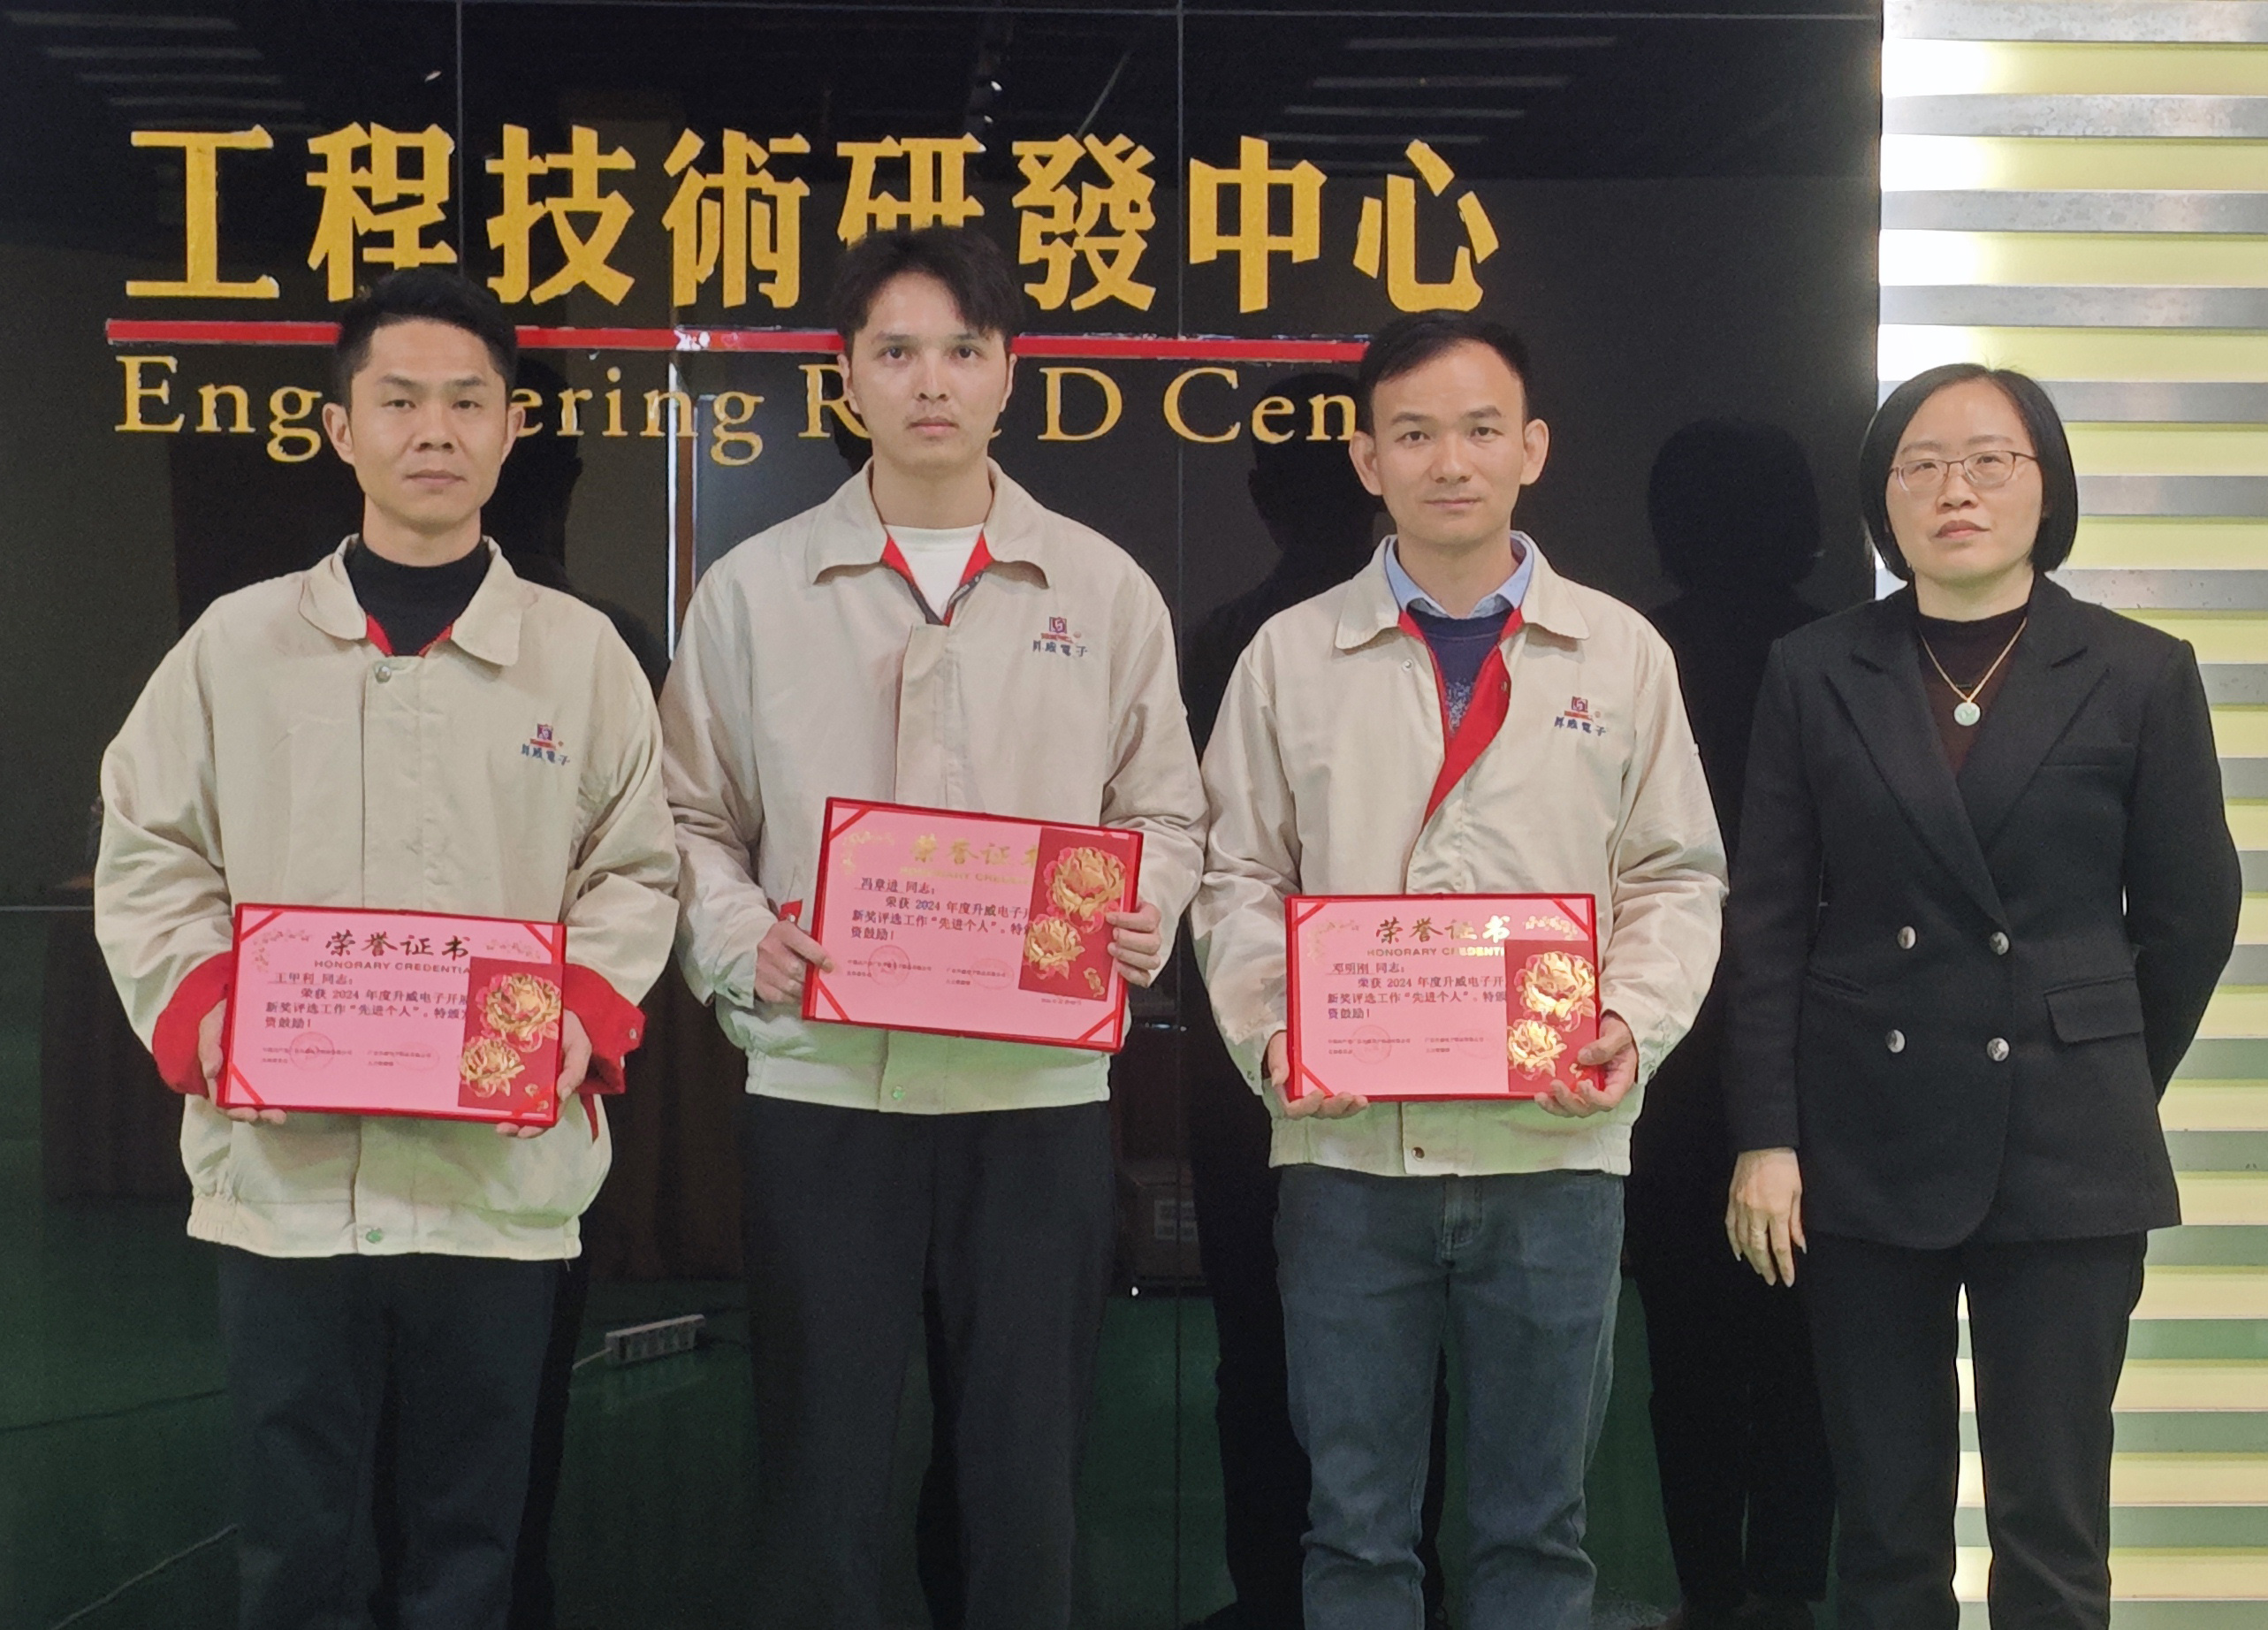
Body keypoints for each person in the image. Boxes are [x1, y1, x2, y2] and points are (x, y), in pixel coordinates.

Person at [91, 266, 680, 1630]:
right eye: (399, 400)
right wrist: (205, 1008)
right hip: (287, 1179)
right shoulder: (237, 647)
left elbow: (636, 869)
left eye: (468, 402)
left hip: (496, 1181)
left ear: (511, 428)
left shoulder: (582, 658)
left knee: (472, 1543)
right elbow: (150, 848)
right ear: (340, 428)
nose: (434, 431)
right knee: (298, 1544)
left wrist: (581, 1011)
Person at [653, 223, 1205, 1630]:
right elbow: (683, 820)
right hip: (825, 1089)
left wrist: (1139, 907)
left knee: (1025, 1481)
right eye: (895, 352)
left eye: (963, 350)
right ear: (845, 378)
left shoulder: (1102, 588)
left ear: (1011, 372)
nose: (931, 382)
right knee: (822, 1472)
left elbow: (1165, 811)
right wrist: (738, 939)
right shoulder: (755, 592)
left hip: (1036, 1096)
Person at [1194, 311, 1727, 1630]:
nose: (1450, 461)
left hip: (1555, 1152)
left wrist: (1632, 1021)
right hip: (1347, 1158)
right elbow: (1234, 875)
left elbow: (1677, 875)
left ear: (1532, 449)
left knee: (1538, 1534)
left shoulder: (1622, 654)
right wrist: (1274, 1035)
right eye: (1415, 434)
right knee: (1355, 1533)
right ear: (1367, 460)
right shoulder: (1289, 657)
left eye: (1481, 430)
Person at [1718, 364, 2243, 1629]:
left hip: (2068, 1145)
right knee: (1886, 1533)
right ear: (1883, 500)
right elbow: (1770, 921)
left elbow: (2191, 917)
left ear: (2045, 486)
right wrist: (1767, 1136)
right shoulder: (1815, 668)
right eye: (1921, 464)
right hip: (1862, 1139)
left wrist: (2092, 1055)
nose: (1956, 488)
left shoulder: (2139, 670)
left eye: (1989, 460)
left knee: (2052, 1532)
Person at [1175, 374, 1456, 1630]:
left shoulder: (1227, 631)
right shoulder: (1256, 643)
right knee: (1392, 1343)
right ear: (1371, 472)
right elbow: (1210, 857)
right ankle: (1393, 1591)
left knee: (1263, 1338)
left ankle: (1270, 1597)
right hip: (1296, 1049)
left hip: (1272, 1055)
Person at [1630, 420, 1847, 1630]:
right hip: (1833, 1041)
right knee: (1812, 1351)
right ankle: (1790, 1594)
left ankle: (1707, 1595)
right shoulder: (1852, 647)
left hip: (1666, 1050)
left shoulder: (1632, 648)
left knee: (1690, 1353)